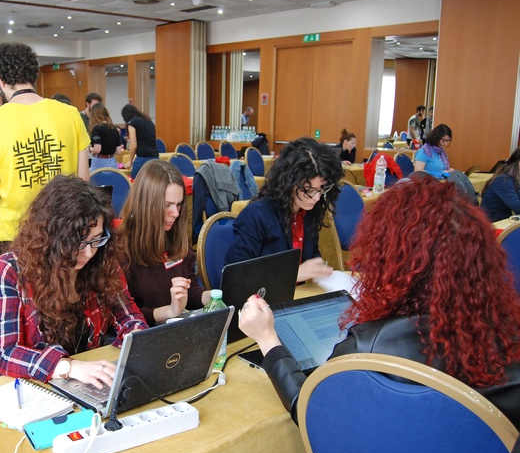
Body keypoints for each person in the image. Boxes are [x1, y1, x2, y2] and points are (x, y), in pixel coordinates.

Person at [238, 175, 520, 429]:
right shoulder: (503, 325)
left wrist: (268, 340)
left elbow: (312, 409)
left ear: (393, 258)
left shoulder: (371, 347)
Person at [0, 175, 148, 384]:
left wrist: (136, 342)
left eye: (96, 240)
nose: (88, 253)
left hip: (86, 382)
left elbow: (129, 317)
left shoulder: (101, 262)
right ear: (52, 237)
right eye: (77, 242)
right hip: (32, 389)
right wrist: (68, 367)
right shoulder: (10, 270)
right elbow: (6, 354)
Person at [0, 42, 90, 242]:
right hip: (64, 230)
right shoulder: (70, 114)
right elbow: (83, 182)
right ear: (34, 74)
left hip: (16, 235)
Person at [225, 137, 342, 283]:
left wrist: (318, 268)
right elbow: (236, 278)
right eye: (307, 189)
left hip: (294, 297)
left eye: (322, 188)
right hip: (260, 302)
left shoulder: (309, 212)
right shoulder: (256, 215)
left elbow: (310, 255)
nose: (317, 197)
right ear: (288, 182)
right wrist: (294, 274)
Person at [119, 160, 211, 325]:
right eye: (167, 205)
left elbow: (190, 293)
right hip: (141, 335)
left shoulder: (173, 235)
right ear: (147, 204)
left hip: (173, 330)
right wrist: (170, 311)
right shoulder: (122, 248)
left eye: (179, 204)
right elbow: (124, 317)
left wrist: (213, 297)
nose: (175, 213)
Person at [481, 148, 520, 222]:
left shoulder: (513, 176)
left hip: (504, 220)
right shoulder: (503, 180)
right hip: (493, 223)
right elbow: (516, 206)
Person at [121, 104, 158, 178]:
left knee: (134, 179)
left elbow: (133, 145)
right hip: (155, 156)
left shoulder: (132, 123)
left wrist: (129, 161)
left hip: (143, 157)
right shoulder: (148, 121)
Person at [88, 103, 123, 172]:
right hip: (112, 161)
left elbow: (97, 149)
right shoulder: (114, 128)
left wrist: (89, 149)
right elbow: (118, 151)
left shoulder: (97, 128)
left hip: (99, 161)